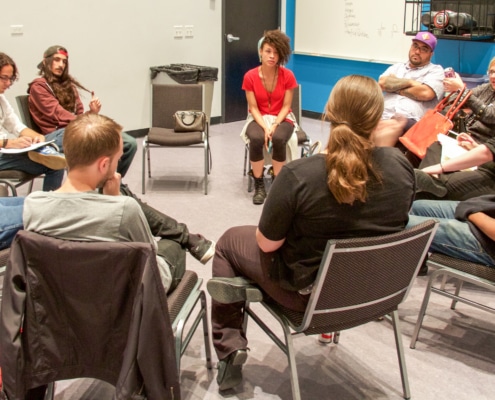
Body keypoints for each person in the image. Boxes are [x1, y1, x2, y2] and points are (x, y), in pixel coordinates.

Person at [206, 75, 415, 391]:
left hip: (309, 300)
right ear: (378, 118)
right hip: (376, 294)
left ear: (329, 112)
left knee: (229, 242)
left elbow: (266, 243)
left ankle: (230, 346)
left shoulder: (299, 175)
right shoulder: (400, 167)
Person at [23, 113, 215, 296]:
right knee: (171, 244)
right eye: (118, 159)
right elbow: (149, 260)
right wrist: (116, 200)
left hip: (60, 302)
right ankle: (185, 238)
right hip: (123, 300)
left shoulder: (33, 206)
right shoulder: (124, 209)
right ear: (104, 165)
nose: (118, 167)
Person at [27, 45, 137, 178]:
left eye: (64, 61)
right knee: (83, 134)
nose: (61, 64)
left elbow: (78, 113)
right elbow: (57, 114)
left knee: (129, 143)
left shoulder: (69, 86)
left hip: (75, 130)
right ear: (45, 62)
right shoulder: (39, 86)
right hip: (55, 137)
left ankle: (109, 183)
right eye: (56, 60)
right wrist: (86, 122)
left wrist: (91, 113)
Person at [414, 56, 495, 201]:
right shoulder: (487, 88)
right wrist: (458, 92)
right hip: (466, 139)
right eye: (491, 72)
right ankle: (424, 183)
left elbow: (489, 115)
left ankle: (423, 187)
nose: (493, 77)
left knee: (435, 162)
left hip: (483, 150)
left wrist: (462, 90)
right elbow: (458, 101)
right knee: (434, 145)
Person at [240, 30, 298, 205]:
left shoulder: (288, 76)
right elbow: (254, 108)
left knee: (279, 138)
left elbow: (287, 107)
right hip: (258, 118)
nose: (272, 56)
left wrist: (275, 125)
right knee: (256, 138)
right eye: (268, 51)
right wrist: (266, 127)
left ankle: (277, 185)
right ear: (260, 52)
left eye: (276, 52)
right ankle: (259, 184)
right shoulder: (250, 76)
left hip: (283, 117)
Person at [0, 52, 65, 191]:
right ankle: (48, 209)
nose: (8, 83)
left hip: (7, 149)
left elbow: (17, 126)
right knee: (55, 164)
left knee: (67, 133)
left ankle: (47, 150)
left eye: (10, 79)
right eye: (4, 78)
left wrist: (37, 137)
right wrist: (10, 143)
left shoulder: (1, 99)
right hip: (3, 151)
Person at [373, 32, 444, 147]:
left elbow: (425, 93)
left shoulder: (436, 71)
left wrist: (395, 86)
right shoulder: (397, 67)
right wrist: (411, 83)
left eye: (424, 49)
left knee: (391, 127)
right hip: (382, 113)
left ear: (431, 54)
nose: (417, 51)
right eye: (415, 46)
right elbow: (383, 83)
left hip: (410, 120)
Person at [408, 196, 495, 268]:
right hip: (488, 207)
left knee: (405, 223)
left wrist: (472, 213)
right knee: (416, 206)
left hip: (488, 239)